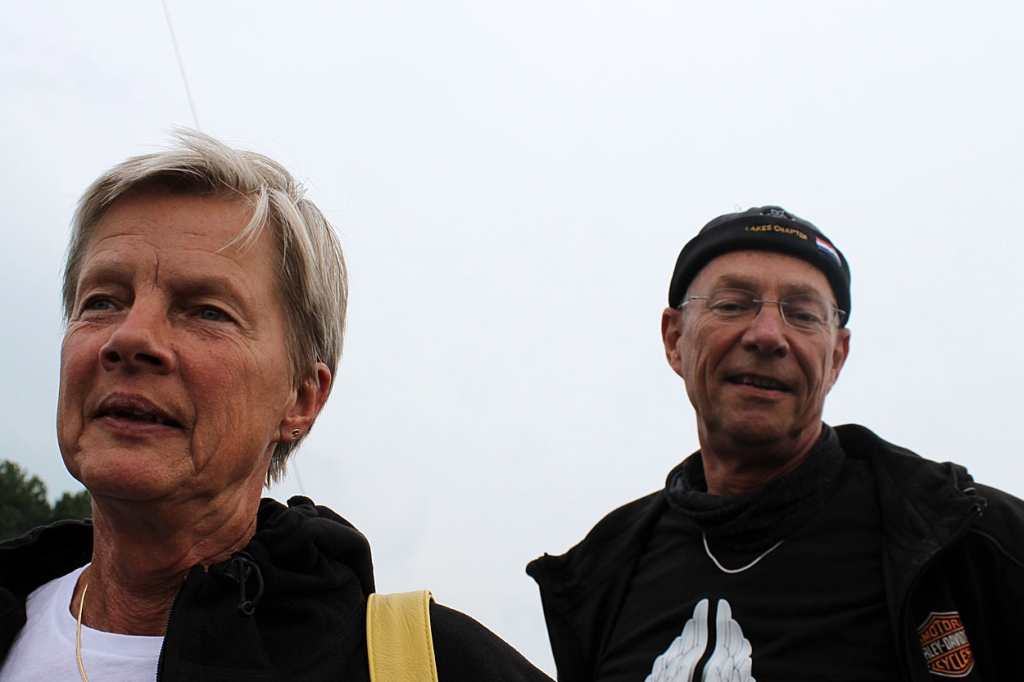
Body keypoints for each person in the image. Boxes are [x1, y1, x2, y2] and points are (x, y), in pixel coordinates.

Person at [0, 131, 551, 682]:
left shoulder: (439, 666)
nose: (129, 337)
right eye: (101, 301)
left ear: (301, 399)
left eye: (207, 311)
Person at [527, 206, 1024, 681]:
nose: (767, 336)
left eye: (802, 314)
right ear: (675, 339)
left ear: (836, 357)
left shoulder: (971, 541)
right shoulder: (603, 573)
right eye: (731, 305)